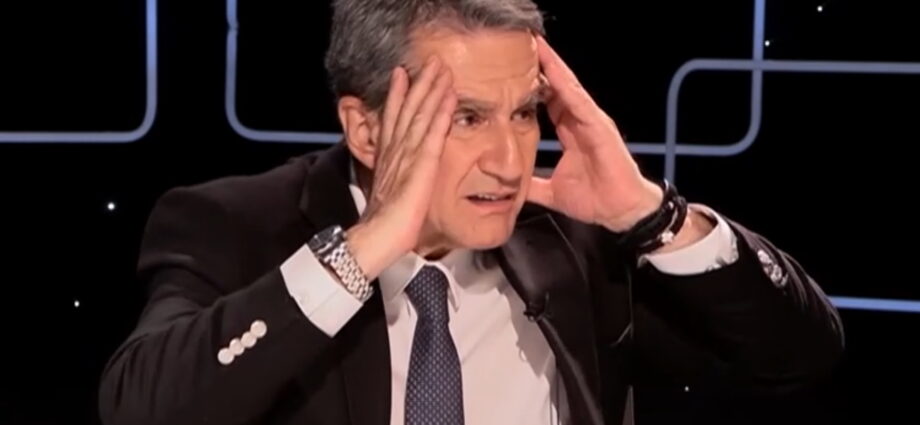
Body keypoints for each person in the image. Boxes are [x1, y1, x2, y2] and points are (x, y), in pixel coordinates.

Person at [98, 0, 844, 424]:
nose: (510, 161)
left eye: (523, 113)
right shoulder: (235, 225)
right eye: (466, 118)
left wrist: (651, 216)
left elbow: (797, 353)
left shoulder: (574, 239)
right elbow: (139, 410)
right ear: (365, 129)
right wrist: (362, 250)